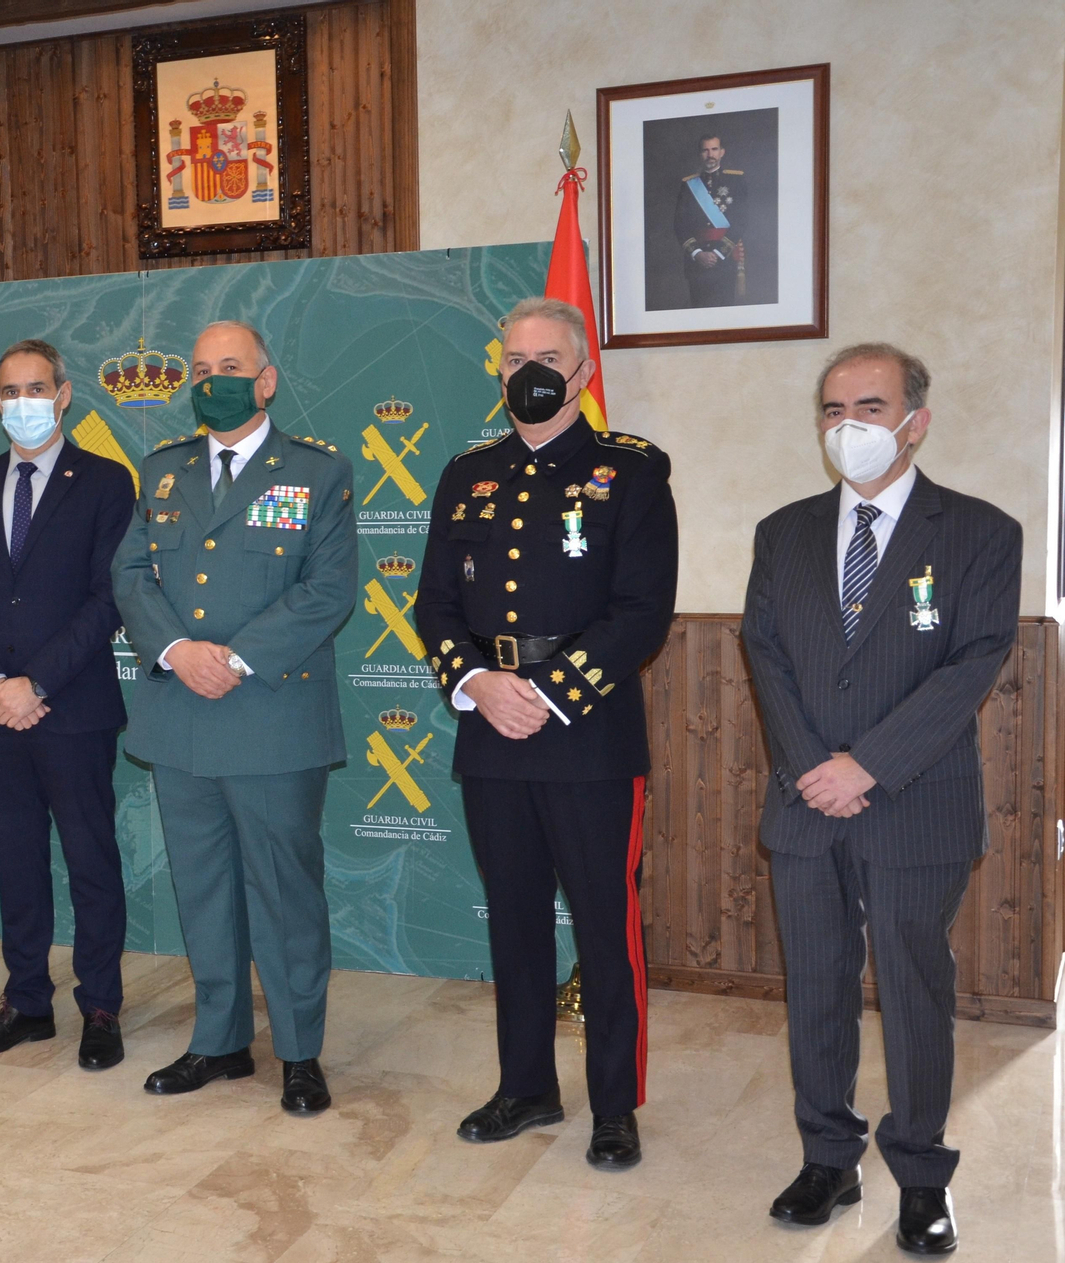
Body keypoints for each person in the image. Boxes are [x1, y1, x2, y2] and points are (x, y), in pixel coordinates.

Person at [742, 344, 1020, 1255]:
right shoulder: (782, 531)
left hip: (917, 801)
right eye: (832, 409)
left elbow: (972, 662)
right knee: (816, 985)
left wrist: (868, 764)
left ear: (916, 421)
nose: (848, 426)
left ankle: (921, 1171)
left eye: (870, 405)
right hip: (804, 799)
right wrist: (814, 768)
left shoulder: (980, 531)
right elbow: (766, 656)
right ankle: (828, 1153)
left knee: (913, 988)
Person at [414, 297, 677, 1167]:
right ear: (498, 372)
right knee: (514, 921)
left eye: (547, 357)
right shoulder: (467, 471)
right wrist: (479, 683)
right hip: (490, 730)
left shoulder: (629, 473)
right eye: (514, 357)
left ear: (581, 372)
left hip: (589, 734)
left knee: (606, 927)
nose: (529, 371)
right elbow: (435, 607)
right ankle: (525, 1086)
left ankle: (615, 1105)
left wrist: (547, 693)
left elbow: (641, 613)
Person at [113, 320, 356, 1113]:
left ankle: (298, 1052)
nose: (212, 379)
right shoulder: (162, 470)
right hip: (179, 711)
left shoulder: (317, 472)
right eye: (200, 367)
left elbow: (327, 591)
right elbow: (130, 574)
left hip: (272, 714)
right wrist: (180, 649)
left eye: (230, 366)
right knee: (204, 887)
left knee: (284, 891)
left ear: (266, 380)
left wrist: (236, 657)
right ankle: (218, 1040)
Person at [0, 339, 135, 1070]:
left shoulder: (106, 482)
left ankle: (101, 1005)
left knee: (90, 860)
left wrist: (37, 684)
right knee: (15, 860)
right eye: (8, 389)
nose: (21, 400)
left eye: (35, 387)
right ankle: (26, 1002)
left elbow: (108, 598)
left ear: (63, 394)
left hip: (72, 708)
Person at [673, 133, 745, 307]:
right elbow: (679, 224)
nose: (710, 154)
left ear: (722, 152)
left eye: (714, 149)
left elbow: (742, 220)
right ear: (700, 154)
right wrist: (697, 253)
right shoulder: (689, 185)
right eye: (705, 150)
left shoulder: (736, 181)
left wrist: (718, 253)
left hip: (725, 259)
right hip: (697, 263)